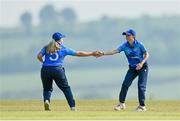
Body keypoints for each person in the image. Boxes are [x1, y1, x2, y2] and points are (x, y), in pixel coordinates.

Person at [37, 32, 99, 111]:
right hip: (57, 70)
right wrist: (92, 53)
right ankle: (72, 107)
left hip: (45, 70)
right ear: (60, 40)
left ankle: (46, 100)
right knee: (66, 89)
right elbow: (78, 53)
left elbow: (39, 56)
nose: (63, 40)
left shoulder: (46, 47)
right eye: (62, 38)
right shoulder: (64, 48)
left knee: (47, 89)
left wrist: (43, 62)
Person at [96, 29, 149, 111]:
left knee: (141, 86)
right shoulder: (124, 46)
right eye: (126, 35)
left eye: (128, 35)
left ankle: (142, 106)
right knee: (125, 84)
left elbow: (147, 54)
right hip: (132, 68)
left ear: (133, 36)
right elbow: (115, 51)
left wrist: (141, 63)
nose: (126, 37)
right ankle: (121, 104)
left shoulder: (139, 45)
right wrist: (103, 53)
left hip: (142, 67)